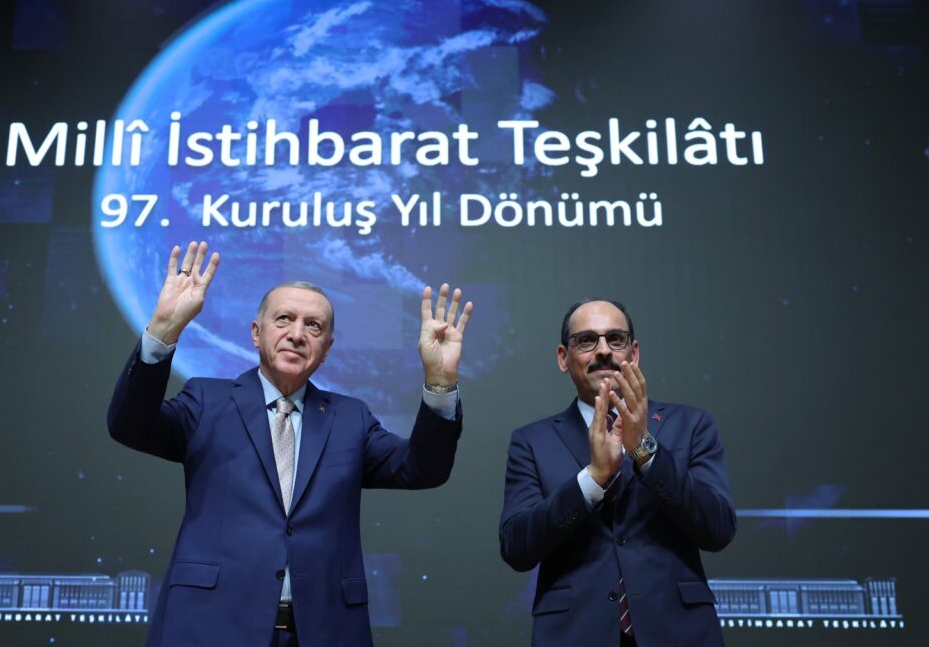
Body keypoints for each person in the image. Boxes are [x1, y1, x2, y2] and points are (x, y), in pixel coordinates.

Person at [108, 241, 473, 647]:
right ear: (255, 332)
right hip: (210, 625)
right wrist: (163, 329)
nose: (297, 334)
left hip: (323, 630)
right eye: (284, 319)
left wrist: (440, 382)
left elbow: (423, 468)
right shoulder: (206, 401)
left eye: (313, 326)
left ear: (326, 350)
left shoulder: (349, 418)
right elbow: (129, 426)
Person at [499, 299, 735, 646]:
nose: (604, 351)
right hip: (575, 633)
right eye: (587, 340)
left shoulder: (692, 425)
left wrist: (644, 449)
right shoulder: (531, 441)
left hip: (678, 631)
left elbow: (718, 529)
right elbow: (517, 547)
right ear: (563, 358)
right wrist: (592, 479)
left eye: (616, 339)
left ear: (634, 352)